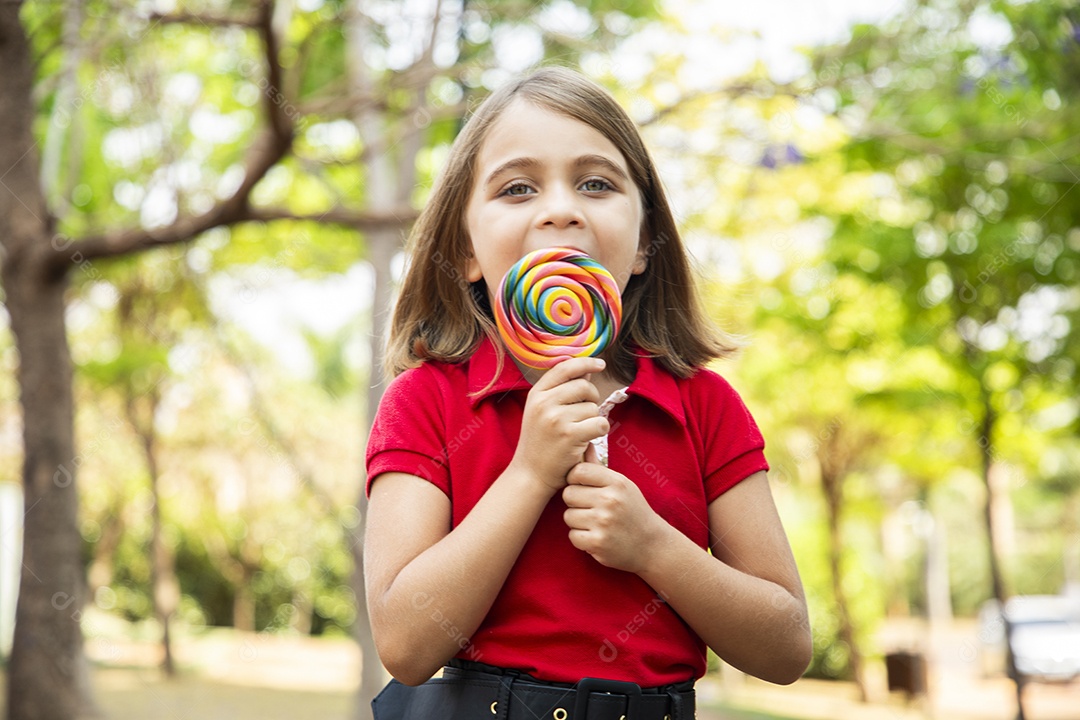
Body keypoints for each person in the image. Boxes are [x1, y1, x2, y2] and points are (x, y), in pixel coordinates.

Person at [364, 65, 811, 720]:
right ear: (465, 250)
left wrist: (653, 546)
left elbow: (787, 647)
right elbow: (405, 644)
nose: (561, 208)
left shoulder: (705, 407)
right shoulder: (426, 402)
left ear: (642, 248)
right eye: (517, 188)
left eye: (596, 183)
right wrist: (529, 473)